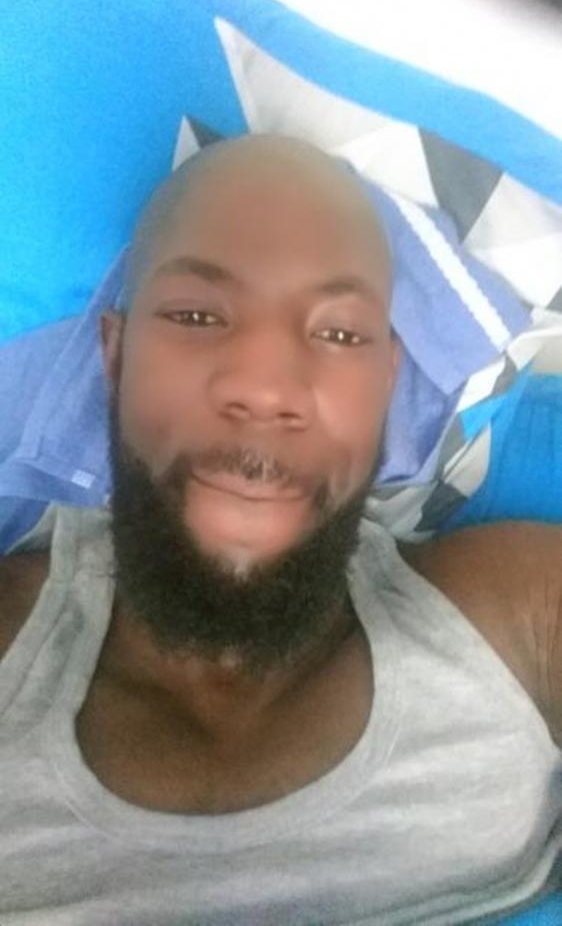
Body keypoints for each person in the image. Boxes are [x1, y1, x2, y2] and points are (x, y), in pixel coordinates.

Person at [0, 134, 560, 925]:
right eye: (197, 315)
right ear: (116, 359)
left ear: (387, 384)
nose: (265, 390)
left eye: (340, 334)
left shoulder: (523, 615)